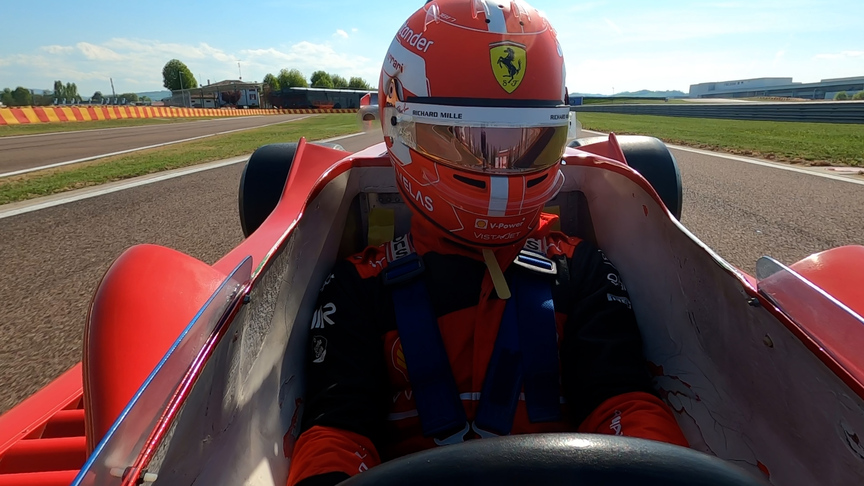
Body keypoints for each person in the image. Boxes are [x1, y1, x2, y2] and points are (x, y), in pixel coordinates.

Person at [287, 1, 687, 485]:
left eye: (528, 140)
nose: (501, 170)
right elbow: (336, 433)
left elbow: (623, 403)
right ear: (397, 127)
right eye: (466, 139)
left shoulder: (580, 267)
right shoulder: (356, 284)